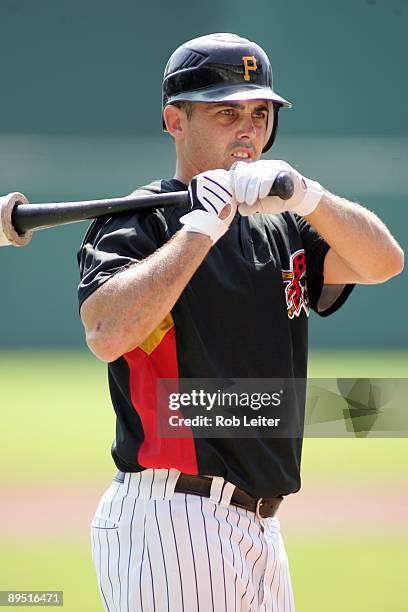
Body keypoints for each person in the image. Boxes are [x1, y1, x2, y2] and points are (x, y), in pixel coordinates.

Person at [77, 33, 403, 612]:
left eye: (260, 113)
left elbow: (385, 262)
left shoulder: (283, 224)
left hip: (261, 525)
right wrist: (198, 230)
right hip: (171, 522)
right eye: (226, 112)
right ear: (175, 121)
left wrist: (309, 196)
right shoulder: (141, 220)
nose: (248, 129)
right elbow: (106, 333)